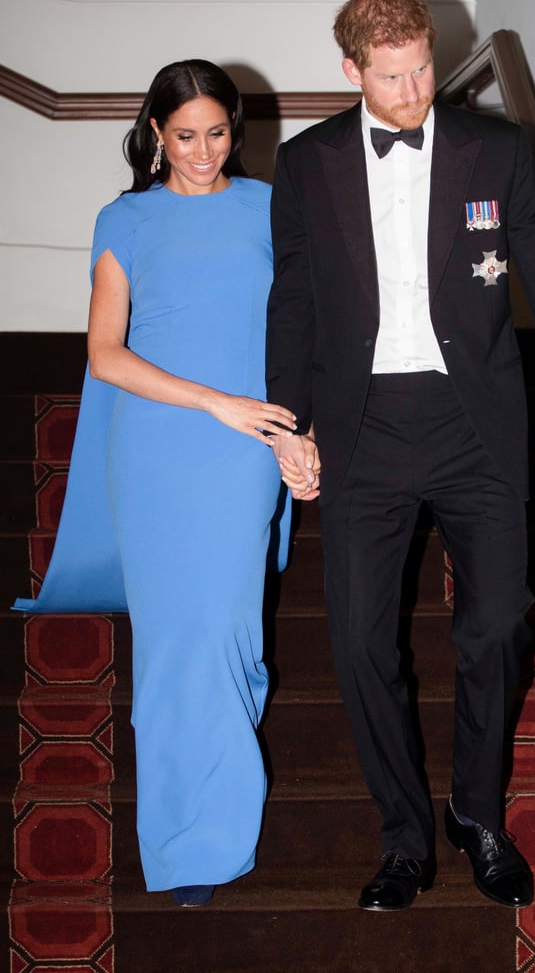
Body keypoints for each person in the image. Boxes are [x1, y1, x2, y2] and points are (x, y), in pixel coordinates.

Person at [266, 0, 535, 913]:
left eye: (423, 70)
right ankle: (403, 839)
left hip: (472, 421)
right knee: (359, 645)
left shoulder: (499, 148)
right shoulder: (306, 162)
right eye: (390, 77)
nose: (412, 91)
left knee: (497, 622)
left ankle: (476, 816)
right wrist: (290, 422)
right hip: (361, 426)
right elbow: (295, 301)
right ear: (351, 71)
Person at [13, 59, 300, 907]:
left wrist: (293, 428)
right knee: (184, 643)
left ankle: (213, 788)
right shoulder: (126, 218)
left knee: (228, 638)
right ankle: (189, 842)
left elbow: (300, 324)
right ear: (153, 134)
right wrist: (217, 403)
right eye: (184, 136)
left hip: (244, 449)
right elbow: (105, 352)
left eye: (216, 133)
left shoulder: (269, 208)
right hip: (162, 448)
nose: (202, 151)